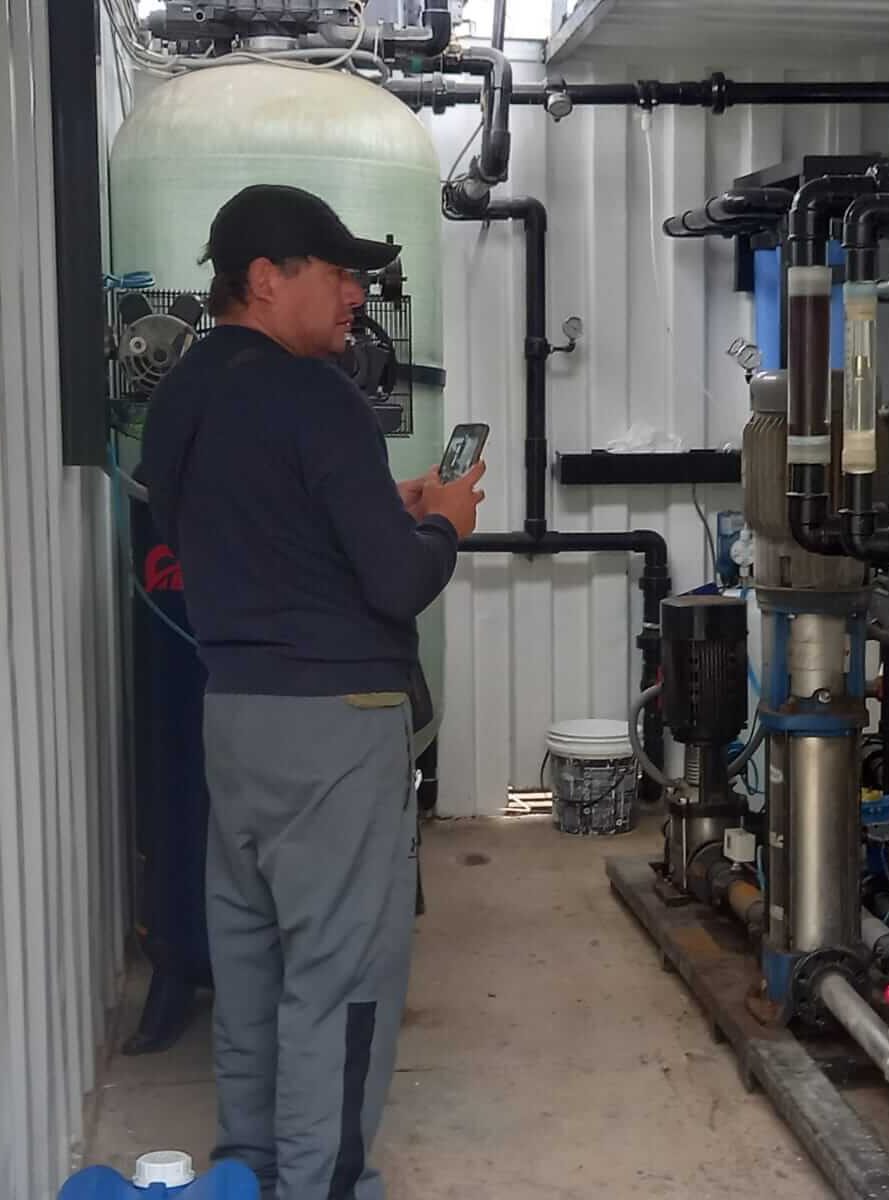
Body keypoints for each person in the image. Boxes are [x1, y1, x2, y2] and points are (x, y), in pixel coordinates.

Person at [138, 183, 484, 1200]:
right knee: (341, 979)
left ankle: (246, 1171)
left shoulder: (183, 394)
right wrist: (445, 523)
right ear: (265, 278)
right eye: (338, 274)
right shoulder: (318, 395)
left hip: (235, 714)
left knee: (251, 969)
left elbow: (242, 523)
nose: (355, 296)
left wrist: (384, 500)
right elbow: (399, 581)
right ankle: (324, 1187)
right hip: (338, 726)